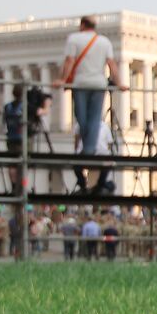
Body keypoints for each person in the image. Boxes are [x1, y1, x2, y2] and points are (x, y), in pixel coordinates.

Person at [55, 16, 127, 193]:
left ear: (82, 25)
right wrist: (119, 82)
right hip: (98, 83)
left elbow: (70, 61)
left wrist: (63, 79)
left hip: (80, 83)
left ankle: (87, 150)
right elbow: (112, 64)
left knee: (81, 116)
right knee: (95, 118)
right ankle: (89, 150)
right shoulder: (104, 41)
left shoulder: (74, 39)